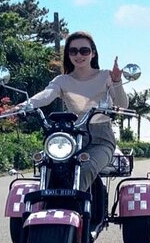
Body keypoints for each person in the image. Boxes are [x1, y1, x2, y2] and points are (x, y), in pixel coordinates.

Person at [16, 30, 128, 194]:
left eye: (84, 50)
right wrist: (25, 105)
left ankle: (77, 212)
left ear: (93, 53)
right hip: (71, 138)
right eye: (73, 51)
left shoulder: (106, 76)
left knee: (85, 168)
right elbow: (47, 95)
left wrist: (117, 82)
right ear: (68, 54)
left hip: (101, 140)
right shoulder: (62, 80)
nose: (78, 55)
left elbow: (122, 104)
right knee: (48, 166)